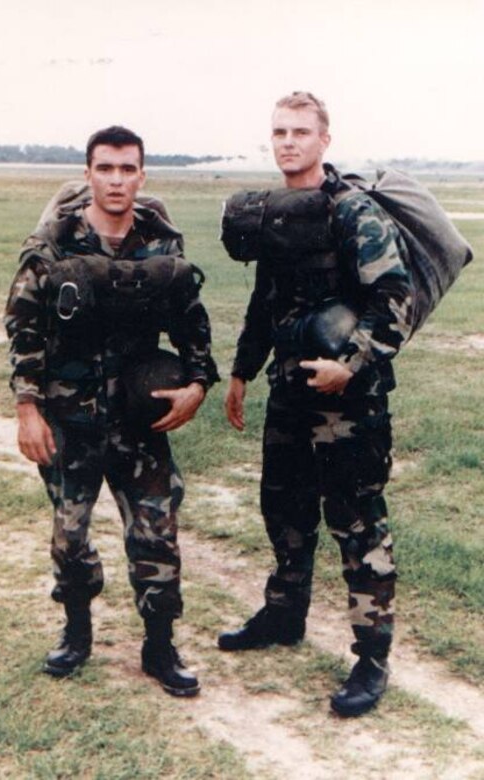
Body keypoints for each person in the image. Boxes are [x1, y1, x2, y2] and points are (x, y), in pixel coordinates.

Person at [5, 125, 219, 697]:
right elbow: (23, 328)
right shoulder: (54, 244)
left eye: (128, 169)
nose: (117, 180)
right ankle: (76, 632)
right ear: (89, 173)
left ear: (142, 176)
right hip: (67, 419)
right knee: (69, 535)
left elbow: (191, 321)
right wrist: (28, 407)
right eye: (106, 168)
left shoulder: (161, 246)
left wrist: (198, 384)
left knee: (157, 534)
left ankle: (159, 646)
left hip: (137, 419)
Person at [218, 92, 414, 717]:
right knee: (284, 507)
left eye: (301, 131)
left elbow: (395, 296)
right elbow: (264, 299)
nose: (288, 142)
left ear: (324, 141)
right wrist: (243, 371)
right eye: (278, 131)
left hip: (350, 402)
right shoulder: (278, 214)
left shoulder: (351, 212)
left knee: (356, 523)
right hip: (289, 394)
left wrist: (349, 363)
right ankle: (283, 616)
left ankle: (372, 656)